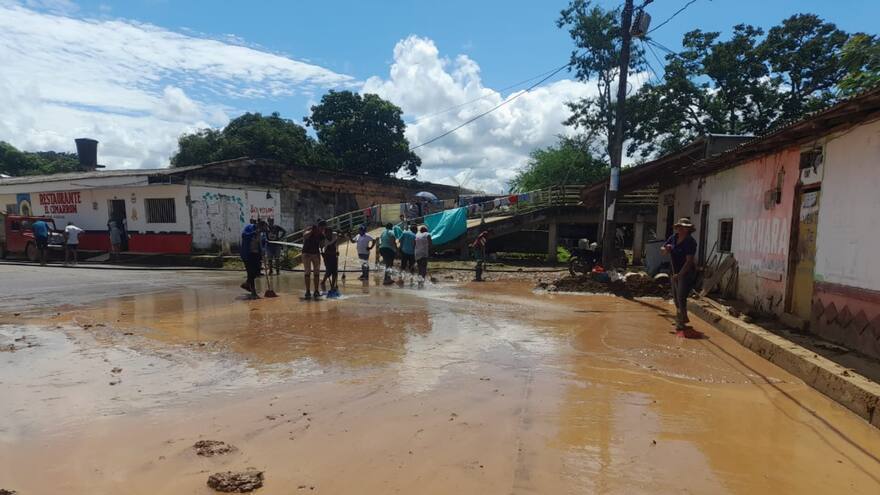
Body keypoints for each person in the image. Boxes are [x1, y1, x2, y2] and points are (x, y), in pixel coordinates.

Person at [661, 217, 698, 336]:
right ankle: (682, 317)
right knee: (676, 297)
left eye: (683, 228)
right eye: (679, 227)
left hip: (685, 272)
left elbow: (689, 261)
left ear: (688, 229)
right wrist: (666, 249)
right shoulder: (673, 238)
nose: (680, 229)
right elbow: (663, 250)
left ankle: (681, 321)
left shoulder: (690, 242)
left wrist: (680, 275)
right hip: (673, 271)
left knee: (681, 296)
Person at [302, 219, 326, 300]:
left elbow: (322, 245)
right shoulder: (310, 229)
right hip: (306, 253)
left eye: (323, 228)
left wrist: (322, 244)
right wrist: (312, 231)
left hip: (315, 253)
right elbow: (305, 236)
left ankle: (316, 291)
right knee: (307, 272)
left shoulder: (321, 234)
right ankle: (308, 291)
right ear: (318, 226)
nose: (322, 229)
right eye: (321, 228)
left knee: (316, 272)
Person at [239, 222, 264, 298]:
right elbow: (244, 235)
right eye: (261, 229)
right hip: (248, 254)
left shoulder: (260, 233)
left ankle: (246, 284)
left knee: (257, 272)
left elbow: (261, 242)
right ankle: (253, 292)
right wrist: (254, 232)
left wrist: (262, 251)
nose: (261, 231)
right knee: (251, 273)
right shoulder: (249, 228)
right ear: (258, 226)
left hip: (256, 254)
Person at [321, 229, 340, 298]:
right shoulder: (324, 239)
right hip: (327, 257)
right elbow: (324, 251)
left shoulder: (334, 235)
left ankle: (332, 286)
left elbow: (340, 235)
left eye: (330, 233)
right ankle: (323, 282)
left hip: (334, 256)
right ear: (325, 234)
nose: (329, 235)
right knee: (329, 271)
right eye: (327, 234)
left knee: (335, 272)